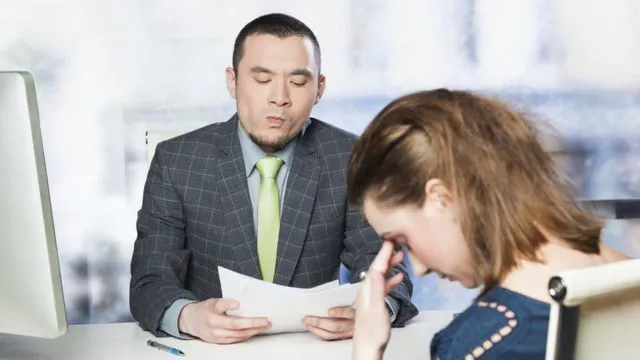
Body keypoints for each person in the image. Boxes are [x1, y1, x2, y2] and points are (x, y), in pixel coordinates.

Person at [129, 13, 418, 345]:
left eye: (297, 82)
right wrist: (187, 316)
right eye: (262, 79)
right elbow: (149, 280)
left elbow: (383, 265)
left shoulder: (353, 157)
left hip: (316, 349)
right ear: (233, 81)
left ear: (319, 88)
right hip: (212, 351)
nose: (279, 97)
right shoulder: (178, 160)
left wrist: (371, 309)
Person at [346, 89, 632, 359]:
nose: (419, 269)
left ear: (441, 198)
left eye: (404, 241)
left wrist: (367, 347)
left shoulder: (483, 341)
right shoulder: (625, 275)